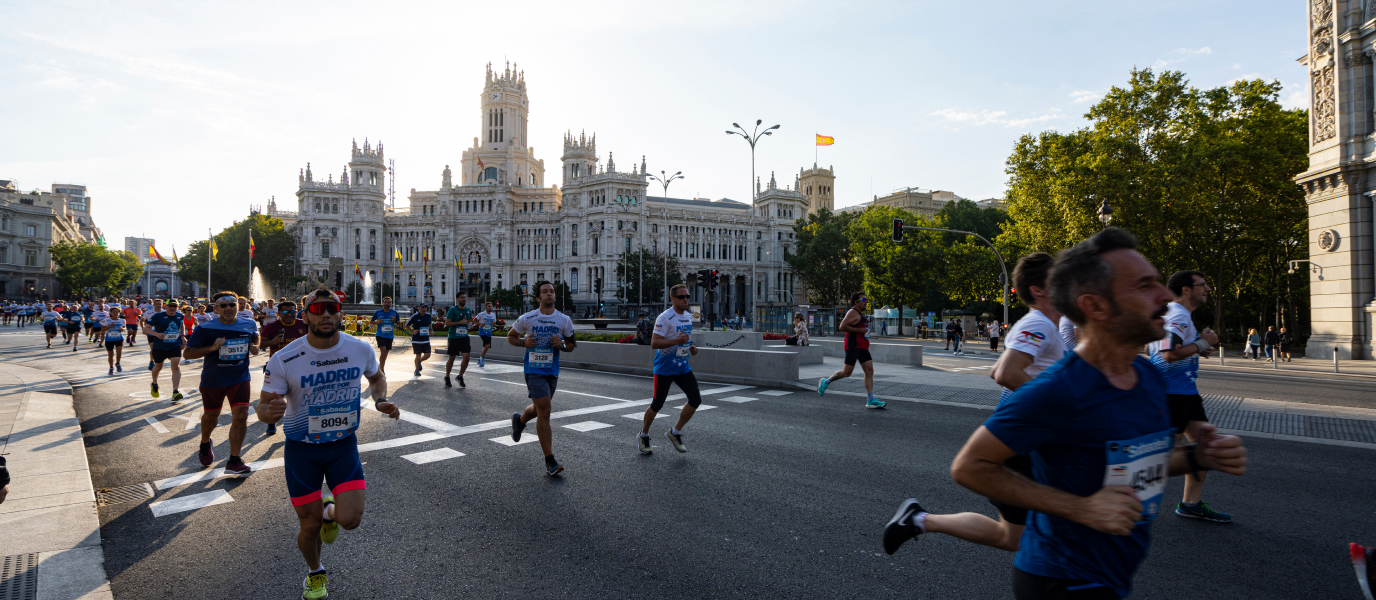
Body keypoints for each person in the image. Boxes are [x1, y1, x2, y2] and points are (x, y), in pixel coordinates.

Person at [939, 228, 1248, 599]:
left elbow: (1137, 462)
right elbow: (969, 466)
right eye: (1144, 285)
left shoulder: (1147, 376)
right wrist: (1081, 508)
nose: (1165, 295)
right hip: (1063, 580)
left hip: (1115, 573)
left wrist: (1199, 455)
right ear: (1096, 306)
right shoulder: (1058, 389)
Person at [884, 252, 1062, 556]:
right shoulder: (1040, 324)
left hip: (1030, 437)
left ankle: (918, 520)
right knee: (1057, 522)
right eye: (1060, 278)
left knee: (1013, 537)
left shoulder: (1048, 324)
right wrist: (1059, 408)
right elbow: (1004, 372)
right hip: (1023, 441)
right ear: (1039, 289)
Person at [258, 289, 396, 600]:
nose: (325, 315)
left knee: (350, 519)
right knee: (308, 527)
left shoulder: (359, 349)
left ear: (339, 313)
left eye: (331, 309)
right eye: (317, 310)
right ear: (305, 315)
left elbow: (376, 378)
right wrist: (269, 411)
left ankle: (329, 513)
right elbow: (263, 404)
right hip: (301, 450)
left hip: (342, 445)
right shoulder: (286, 358)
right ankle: (315, 573)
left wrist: (381, 398)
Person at [1149, 270, 1231, 523]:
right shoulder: (1178, 315)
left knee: (1205, 447)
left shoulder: (1174, 315)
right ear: (1186, 289)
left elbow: (1158, 349)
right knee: (1160, 458)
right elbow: (1167, 355)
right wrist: (1202, 344)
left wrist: (1196, 348)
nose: (1207, 289)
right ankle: (1119, 499)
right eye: (1202, 285)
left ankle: (1190, 503)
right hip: (1171, 395)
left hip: (1185, 393)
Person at [183, 291, 260, 475]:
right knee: (211, 417)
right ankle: (205, 442)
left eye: (232, 305)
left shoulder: (248, 323)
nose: (228, 309)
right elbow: (188, 353)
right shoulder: (205, 328)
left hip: (239, 377)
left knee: (241, 415)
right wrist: (212, 347)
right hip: (213, 379)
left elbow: (255, 336)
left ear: (238, 306)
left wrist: (255, 346)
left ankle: (234, 460)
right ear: (216, 308)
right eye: (223, 306)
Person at [508, 281, 577, 476]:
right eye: (545, 292)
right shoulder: (528, 317)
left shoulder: (564, 320)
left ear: (555, 296)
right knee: (545, 410)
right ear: (538, 297)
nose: (549, 294)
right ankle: (550, 461)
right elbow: (511, 336)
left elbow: (572, 345)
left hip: (552, 370)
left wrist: (561, 345)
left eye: (552, 291)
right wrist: (523, 342)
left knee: (540, 410)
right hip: (533, 369)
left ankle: (519, 421)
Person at [638, 284, 702, 455]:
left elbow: (685, 339)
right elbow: (654, 343)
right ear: (672, 299)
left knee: (696, 399)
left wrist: (692, 347)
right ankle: (643, 435)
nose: (685, 299)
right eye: (681, 297)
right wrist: (677, 341)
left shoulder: (689, 316)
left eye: (687, 296)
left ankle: (675, 432)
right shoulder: (664, 317)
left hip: (682, 366)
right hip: (665, 367)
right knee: (657, 404)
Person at [817, 293, 886, 409]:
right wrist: (860, 330)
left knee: (869, 371)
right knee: (847, 372)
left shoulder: (860, 313)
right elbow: (842, 326)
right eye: (863, 299)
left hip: (863, 346)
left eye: (866, 299)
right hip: (853, 345)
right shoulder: (852, 312)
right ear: (856, 301)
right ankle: (825, 382)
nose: (866, 301)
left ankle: (870, 400)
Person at [260, 300, 307, 437]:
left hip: (300, 366)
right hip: (277, 368)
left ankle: (299, 424)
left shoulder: (302, 324)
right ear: (279, 313)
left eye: (292, 311)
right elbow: (260, 344)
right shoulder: (271, 326)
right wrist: (272, 342)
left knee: (300, 398)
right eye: (286, 312)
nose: (290, 314)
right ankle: (271, 422)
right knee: (274, 397)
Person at [144, 300, 187, 404]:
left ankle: (175, 391)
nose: (172, 308)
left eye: (175, 306)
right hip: (160, 346)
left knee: (176, 366)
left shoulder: (180, 316)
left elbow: (181, 325)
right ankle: (154, 384)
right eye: (170, 306)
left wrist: (182, 337)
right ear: (165, 306)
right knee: (158, 367)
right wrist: (156, 334)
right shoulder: (158, 316)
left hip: (175, 345)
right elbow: (145, 329)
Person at [442, 293, 473, 388]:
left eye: (465, 297)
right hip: (454, 337)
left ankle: (460, 376)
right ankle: (447, 376)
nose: (464, 299)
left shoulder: (468, 310)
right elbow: (447, 323)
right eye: (462, 297)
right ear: (457, 299)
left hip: (464, 337)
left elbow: (469, 322)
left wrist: (470, 326)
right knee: (452, 359)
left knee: (467, 357)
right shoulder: (452, 310)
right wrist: (460, 322)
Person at [370, 297, 401, 372]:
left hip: (389, 336)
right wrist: (377, 322)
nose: (387, 304)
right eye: (385, 302)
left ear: (391, 304)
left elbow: (399, 323)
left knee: (385, 353)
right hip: (380, 335)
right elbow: (371, 322)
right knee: (383, 351)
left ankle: (381, 366)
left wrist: (395, 321)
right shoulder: (378, 312)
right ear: (382, 303)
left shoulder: (394, 312)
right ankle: (381, 370)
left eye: (389, 302)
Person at [403, 303, 433, 377]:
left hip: (425, 338)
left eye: (425, 307)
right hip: (416, 339)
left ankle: (419, 362)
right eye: (422, 307)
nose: (424, 309)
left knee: (427, 355)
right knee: (418, 355)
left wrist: (431, 330)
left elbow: (429, 323)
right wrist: (413, 331)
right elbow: (406, 325)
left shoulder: (428, 316)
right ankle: (416, 370)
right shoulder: (415, 316)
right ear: (419, 308)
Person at [97, 302, 124, 375]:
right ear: (111, 313)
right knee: (110, 354)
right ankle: (111, 367)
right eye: (113, 312)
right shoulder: (106, 320)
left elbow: (123, 327)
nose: (115, 313)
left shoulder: (122, 320)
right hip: (109, 339)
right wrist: (109, 326)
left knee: (119, 351)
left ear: (119, 313)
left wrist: (122, 329)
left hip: (119, 338)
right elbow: (102, 330)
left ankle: (118, 363)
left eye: (117, 312)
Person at [475, 302, 497, 368]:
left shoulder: (493, 315)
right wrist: (479, 324)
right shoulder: (481, 314)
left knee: (486, 347)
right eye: (489, 306)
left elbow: (494, 324)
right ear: (486, 307)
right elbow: (474, 320)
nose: (490, 308)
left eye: (491, 306)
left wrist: (493, 323)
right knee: (487, 345)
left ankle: (480, 359)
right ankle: (482, 359)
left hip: (489, 332)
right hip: (482, 332)